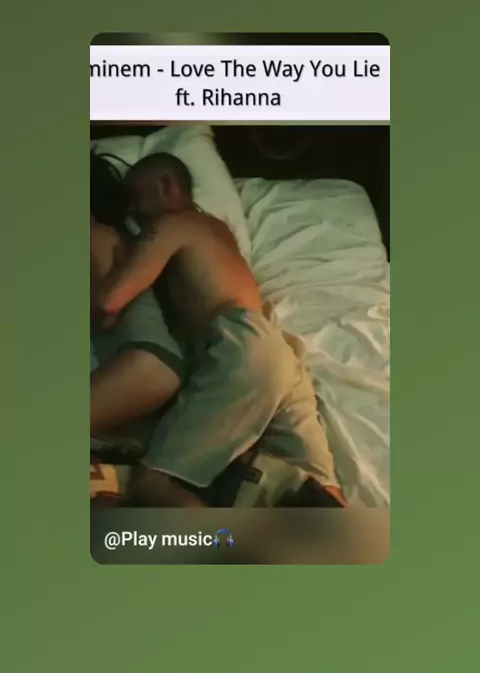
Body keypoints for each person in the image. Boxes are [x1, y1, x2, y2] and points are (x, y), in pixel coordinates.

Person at [94, 152, 346, 507]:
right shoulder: (217, 230)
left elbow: (111, 302)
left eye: (136, 198)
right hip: (280, 356)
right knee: (322, 492)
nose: (132, 212)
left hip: (239, 347)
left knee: (152, 484)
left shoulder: (170, 226)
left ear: (166, 185)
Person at [90, 153, 185, 437]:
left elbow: (105, 312)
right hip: (155, 364)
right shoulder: (127, 240)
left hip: (143, 361)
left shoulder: (96, 236)